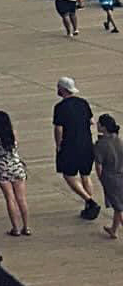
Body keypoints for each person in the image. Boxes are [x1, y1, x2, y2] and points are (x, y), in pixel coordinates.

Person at [54, 77, 99, 218]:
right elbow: (92, 121)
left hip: (70, 146)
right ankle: (89, 207)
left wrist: (58, 144)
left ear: (63, 89)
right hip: (86, 144)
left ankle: (89, 201)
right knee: (85, 175)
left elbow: (58, 129)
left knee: (69, 175)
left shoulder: (60, 107)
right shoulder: (83, 103)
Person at [0, 110, 29, 236]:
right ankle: (26, 227)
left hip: (2, 168)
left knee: (10, 198)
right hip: (16, 166)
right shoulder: (13, 133)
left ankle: (15, 228)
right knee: (21, 198)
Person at [96, 115, 123, 240]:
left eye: (99, 123)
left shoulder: (101, 144)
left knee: (117, 206)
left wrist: (101, 179)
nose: (97, 125)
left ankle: (114, 230)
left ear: (104, 127)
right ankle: (113, 229)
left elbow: (99, 166)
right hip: (121, 174)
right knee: (118, 205)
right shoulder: (118, 140)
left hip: (110, 178)